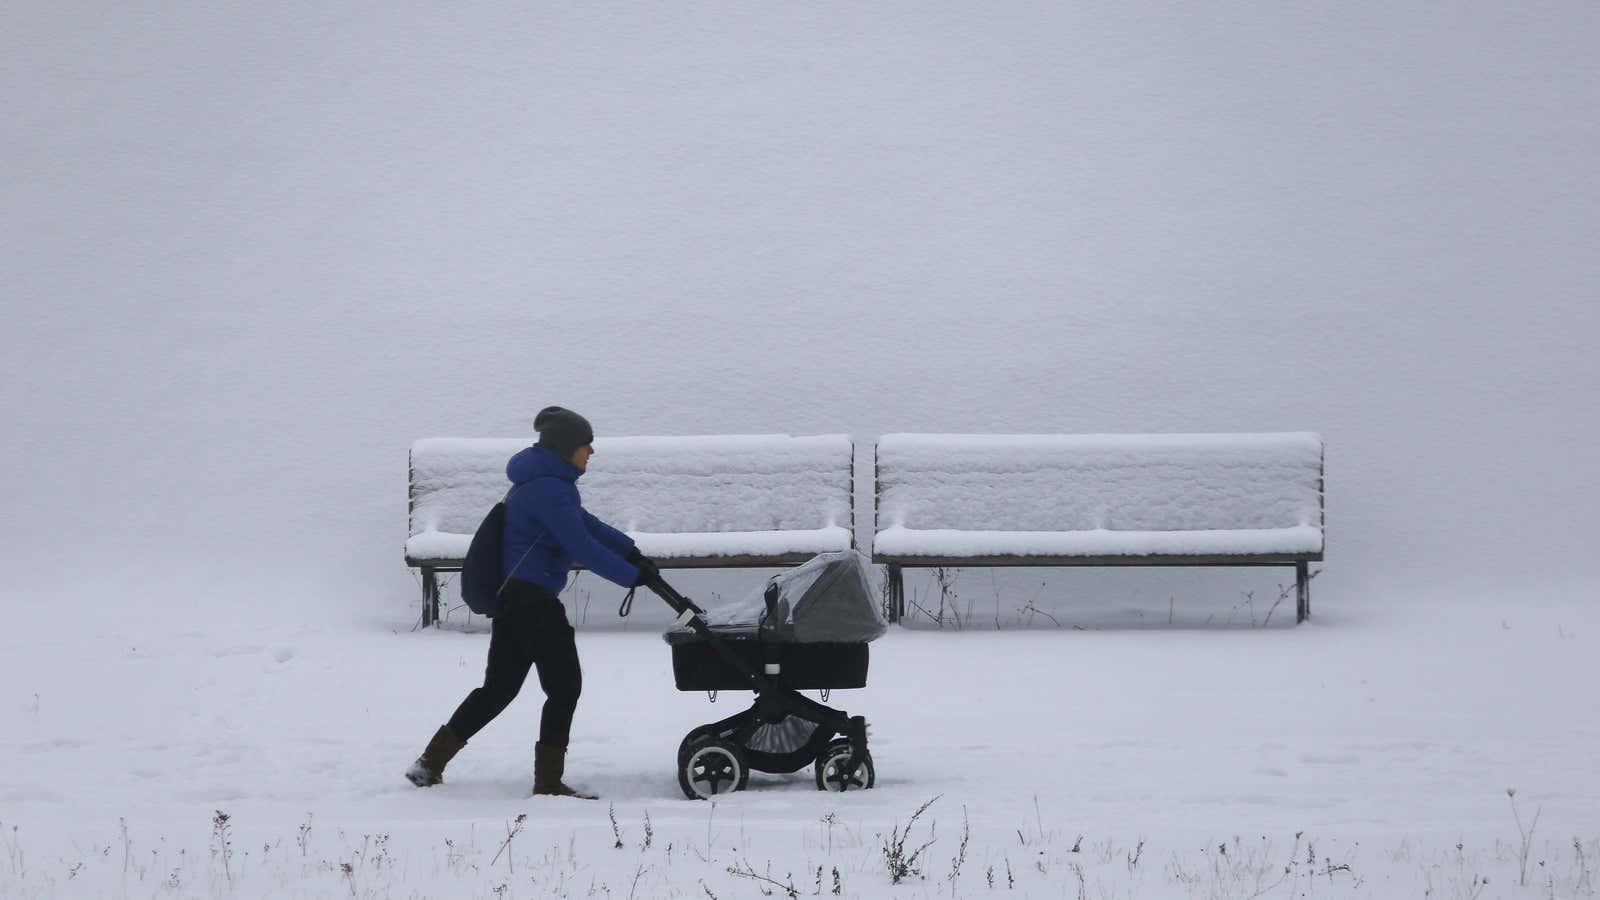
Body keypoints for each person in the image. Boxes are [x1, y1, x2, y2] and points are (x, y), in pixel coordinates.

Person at [406, 406, 658, 797]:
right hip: (533, 602)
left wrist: (632, 552)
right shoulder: (549, 490)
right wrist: (632, 575)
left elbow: (588, 525)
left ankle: (430, 763)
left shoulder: (548, 485)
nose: (591, 451)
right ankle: (549, 782)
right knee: (564, 688)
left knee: (498, 690)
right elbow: (580, 546)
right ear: (565, 448)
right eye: (585, 444)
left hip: (515, 602)